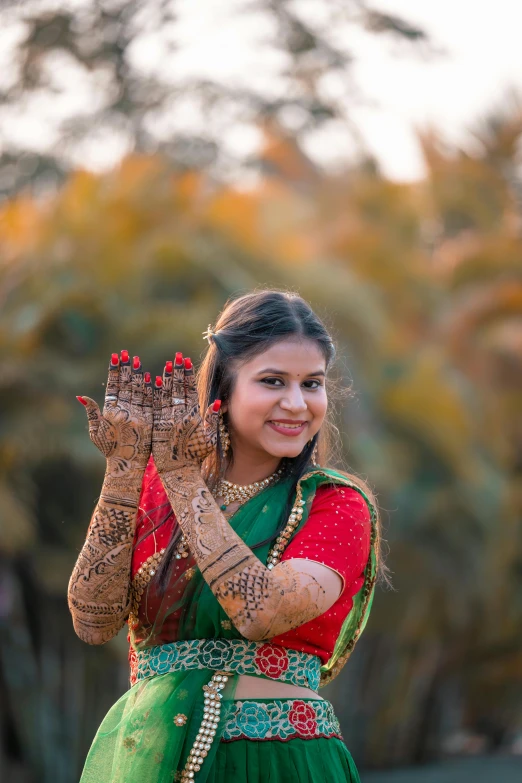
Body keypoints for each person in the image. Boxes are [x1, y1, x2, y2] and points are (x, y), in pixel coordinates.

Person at [68, 289, 387, 783]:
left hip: (279, 762)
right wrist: (125, 467)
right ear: (224, 388)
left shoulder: (334, 504)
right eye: (272, 381)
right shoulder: (156, 488)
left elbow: (261, 611)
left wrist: (181, 479)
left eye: (313, 384)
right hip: (151, 759)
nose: (296, 403)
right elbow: (93, 620)